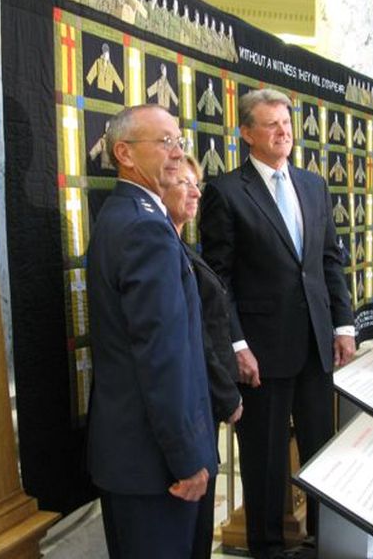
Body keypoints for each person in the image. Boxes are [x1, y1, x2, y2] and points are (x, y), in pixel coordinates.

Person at [199, 88, 356, 559]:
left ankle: (323, 541)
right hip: (261, 354)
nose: (283, 132)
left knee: (322, 452)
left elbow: (329, 259)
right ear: (246, 132)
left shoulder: (312, 185)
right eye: (271, 125)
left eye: (286, 124)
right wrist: (236, 344)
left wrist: (343, 325)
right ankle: (266, 548)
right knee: (265, 460)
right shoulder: (226, 192)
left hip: (315, 345)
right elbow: (218, 278)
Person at [86, 105, 216, 558]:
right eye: (164, 143)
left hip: (137, 462)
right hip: (156, 468)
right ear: (124, 153)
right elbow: (163, 357)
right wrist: (187, 458)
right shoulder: (145, 229)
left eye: (179, 141)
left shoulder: (127, 215)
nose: (178, 154)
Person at [162, 155, 243, 559]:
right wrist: (228, 394)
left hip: (203, 403)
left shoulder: (181, 245)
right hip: (193, 406)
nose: (196, 192)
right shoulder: (163, 249)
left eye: (198, 185)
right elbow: (192, 340)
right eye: (185, 184)